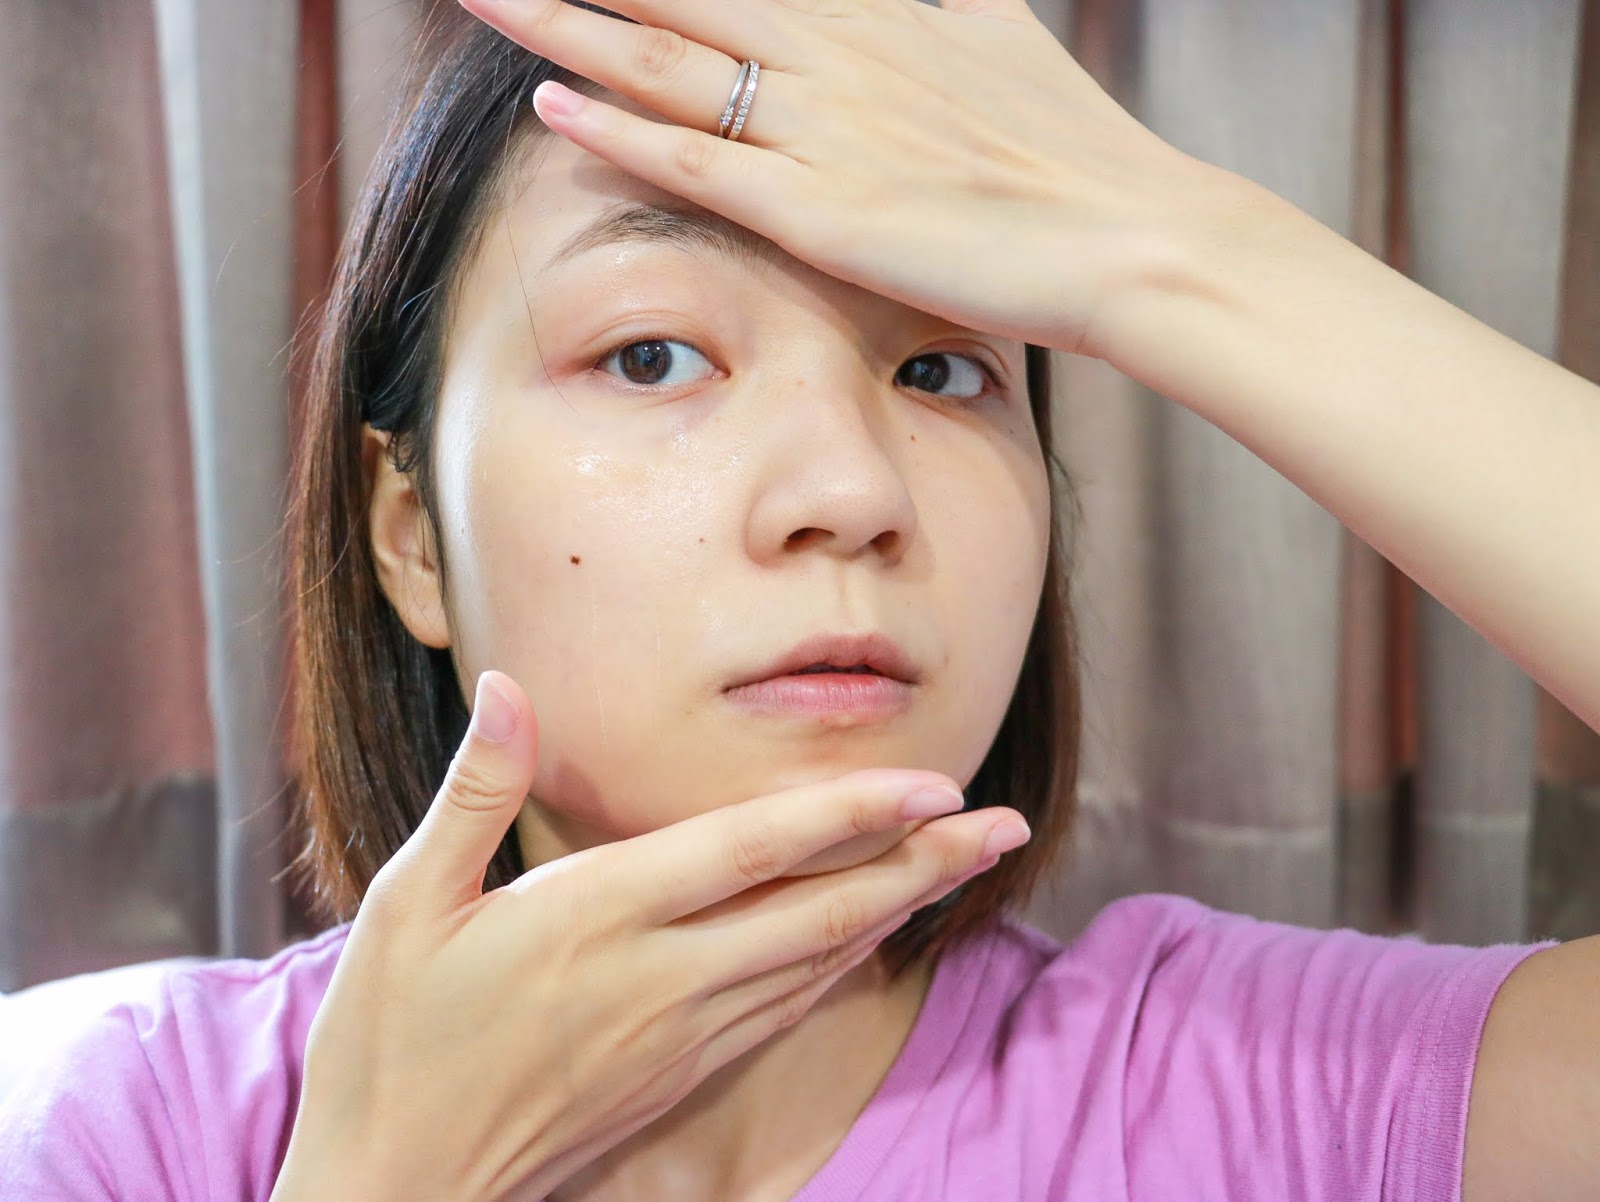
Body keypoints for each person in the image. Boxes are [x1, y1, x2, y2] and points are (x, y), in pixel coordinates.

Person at [5, 1, 1599, 1199]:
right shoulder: (96, 1120)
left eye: (943, 368)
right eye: (651, 354)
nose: (850, 485)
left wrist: (1176, 244)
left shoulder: (1270, 1090)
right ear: (409, 533)